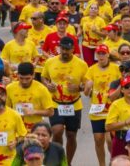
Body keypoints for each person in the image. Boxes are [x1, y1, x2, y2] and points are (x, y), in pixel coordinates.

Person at [41, 36, 88, 165]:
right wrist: (47, 84)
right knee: (57, 131)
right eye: (63, 48)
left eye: (68, 49)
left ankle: (68, 162)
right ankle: (59, 160)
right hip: (56, 103)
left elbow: (87, 84)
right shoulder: (50, 62)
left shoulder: (81, 64)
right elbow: (43, 77)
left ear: (73, 49)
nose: (65, 51)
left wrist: (79, 87)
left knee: (71, 135)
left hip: (74, 104)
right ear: (59, 48)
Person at [84, 44, 122, 166]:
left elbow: (123, 84)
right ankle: (102, 164)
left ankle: (114, 161)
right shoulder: (91, 69)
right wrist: (88, 87)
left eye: (103, 53)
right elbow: (86, 92)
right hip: (97, 110)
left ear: (107, 55)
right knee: (98, 139)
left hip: (113, 109)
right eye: (98, 54)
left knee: (111, 140)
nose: (101, 56)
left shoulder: (116, 69)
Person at [6, 62, 54, 130]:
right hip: (16, 128)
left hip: (34, 130)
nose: (24, 81)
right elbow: (6, 109)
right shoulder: (9, 88)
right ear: (17, 75)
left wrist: (34, 111)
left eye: (27, 78)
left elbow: (51, 112)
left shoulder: (42, 89)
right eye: (21, 78)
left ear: (33, 75)